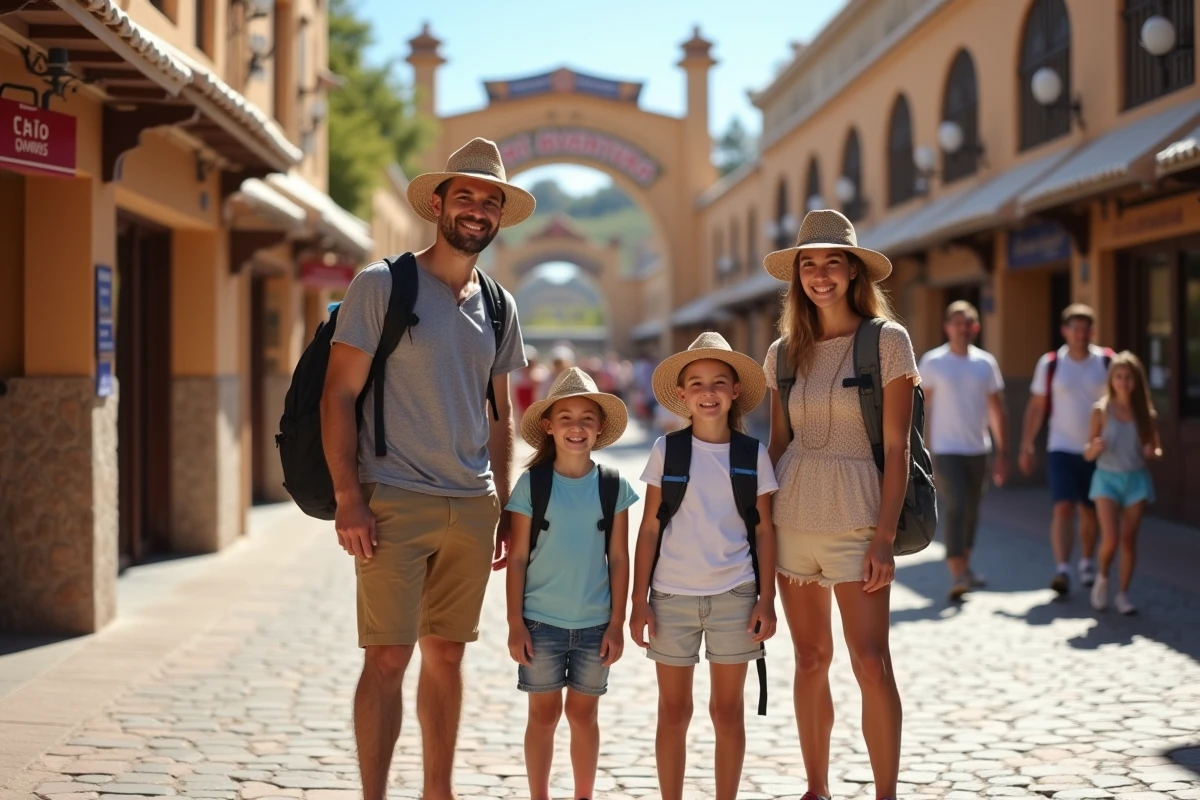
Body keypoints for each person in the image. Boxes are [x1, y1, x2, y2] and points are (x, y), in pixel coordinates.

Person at [321, 137, 534, 800]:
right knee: (388, 655)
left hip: (471, 505)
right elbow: (338, 394)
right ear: (437, 205)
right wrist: (348, 497)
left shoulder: (499, 304)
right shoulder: (382, 284)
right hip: (394, 498)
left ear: (499, 217)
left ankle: (437, 792)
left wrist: (503, 503)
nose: (477, 209)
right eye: (464, 196)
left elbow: (500, 414)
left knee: (447, 654)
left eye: (489, 201)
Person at [763, 209, 919, 800]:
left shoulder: (888, 342)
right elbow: (779, 445)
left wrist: (884, 537)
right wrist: (755, 524)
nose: (821, 275)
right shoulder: (783, 353)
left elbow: (899, 447)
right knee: (809, 658)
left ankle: (885, 794)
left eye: (833, 263)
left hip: (859, 520)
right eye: (809, 264)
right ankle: (816, 788)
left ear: (854, 272)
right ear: (797, 275)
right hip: (793, 520)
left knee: (871, 662)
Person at [630, 332, 779, 800]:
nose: (708, 392)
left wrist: (767, 600)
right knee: (673, 712)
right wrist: (638, 601)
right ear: (682, 394)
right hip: (670, 598)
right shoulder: (667, 450)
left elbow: (764, 531)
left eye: (718, 382)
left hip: (736, 597)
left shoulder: (752, 454)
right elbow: (649, 529)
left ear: (735, 391)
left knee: (727, 712)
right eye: (696, 383)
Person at [505, 367, 638, 800]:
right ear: (548, 426)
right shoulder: (533, 484)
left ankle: (584, 794)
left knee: (584, 716)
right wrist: (515, 624)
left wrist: (617, 623)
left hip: (596, 625)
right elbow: (517, 558)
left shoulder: (613, 486)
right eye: (565, 418)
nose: (576, 427)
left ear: (599, 428)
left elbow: (620, 558)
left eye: (586, 419)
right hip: (539, 624)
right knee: (543, 716)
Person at [1018, 304, 1111, 597]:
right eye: (1075, 329)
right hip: (1060, 447)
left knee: (1090, 511)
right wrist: (1026, 444)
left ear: (1092, 332)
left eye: (1085, 329)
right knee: (1063, 507)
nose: (1080, 334)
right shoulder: (1051, 364)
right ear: (1065, 331)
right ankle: (1062, 569)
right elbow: (1036, 406)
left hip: (1097, 450)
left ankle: (1086, 562)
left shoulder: (1106, 362)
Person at [918, 301, 1008, 601]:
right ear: (947, 327)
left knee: (971, 509)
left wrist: (1002, 452)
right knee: (956, 505)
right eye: (957, 322)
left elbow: (996, 410)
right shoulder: (933, 362)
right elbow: (922, 408)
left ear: (976, 328)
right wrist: (922, 450)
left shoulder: (985, 363)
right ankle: (956, 572)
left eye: (967, 322)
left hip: (978, 449)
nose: (962, 328)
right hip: (945, 449)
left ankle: (965, 567)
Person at [1084, 352, 1162, 615]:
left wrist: (1152, 451)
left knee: (1128, 540)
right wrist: (1094, 448)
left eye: (1128, 377)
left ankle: (1123, 594)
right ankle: (1103, 576)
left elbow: (1156, 447)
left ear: (1136, 380)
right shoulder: (1101, 410)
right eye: (1118, 376)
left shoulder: (1144, 412)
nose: (1123, 382)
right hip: (1106, 479)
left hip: (1135, 479)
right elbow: (1087, 453)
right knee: (1111, 539)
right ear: (1111, 380)